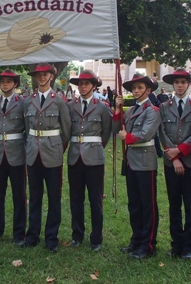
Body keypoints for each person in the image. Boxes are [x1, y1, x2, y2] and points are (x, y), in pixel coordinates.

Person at [24, 63, 71, 253]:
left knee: (54, 197)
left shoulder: (59, 101)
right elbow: (26, 127)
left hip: (53, 153)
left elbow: (66, 131)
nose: (42, 77)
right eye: (39, 75)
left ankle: (51, 237)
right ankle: (32, 235)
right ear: (35, 78)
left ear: (52, 76)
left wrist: (58, 148)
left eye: (45, 74)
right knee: (34, 197)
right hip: (33, 153)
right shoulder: (28, 101)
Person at [116, 74, 161, 260]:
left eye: (140, 87)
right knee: (134, 204)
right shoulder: (131, 110)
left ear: (148, 90)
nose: (136, 91)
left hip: (145, 161)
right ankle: (136, 239)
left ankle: (148, 244)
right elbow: (118, 126)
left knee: (147, 204)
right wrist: (117, 108)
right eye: (134, 88)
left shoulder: (152, 111)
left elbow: (145, 134)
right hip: (131, 160)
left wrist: (127, 137)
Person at [67, 70, 112, 252]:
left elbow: (106, 132)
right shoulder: (71, 106)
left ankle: (96, 238)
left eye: (86, 83)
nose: (82, 87)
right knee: (75, 199)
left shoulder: (102, 107)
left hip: (94, 158)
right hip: (74, 157)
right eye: (80, 84)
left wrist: (96, 147)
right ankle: (77, 235)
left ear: (94, 86)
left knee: (95, 200)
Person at [158, 69, 191, 260]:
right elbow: (162, 132)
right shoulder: (164, 107)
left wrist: (180, 151)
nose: (180, 85)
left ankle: (189, 246)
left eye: (183, 82)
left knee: (190, 204)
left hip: (190, 162)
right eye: (177, 82)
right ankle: (176, 244)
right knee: (174, 204)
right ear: (172, 85)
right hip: (170, 163)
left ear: (189, 84)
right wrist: (173, 158)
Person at [0, 69, 27, 246]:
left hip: (17, 153)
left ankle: (19, 233)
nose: (5, 84)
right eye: (2, 81)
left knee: (19, 194)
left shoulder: (23, 103)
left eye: (9, 81)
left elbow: (28, 128)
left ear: (15, 84)